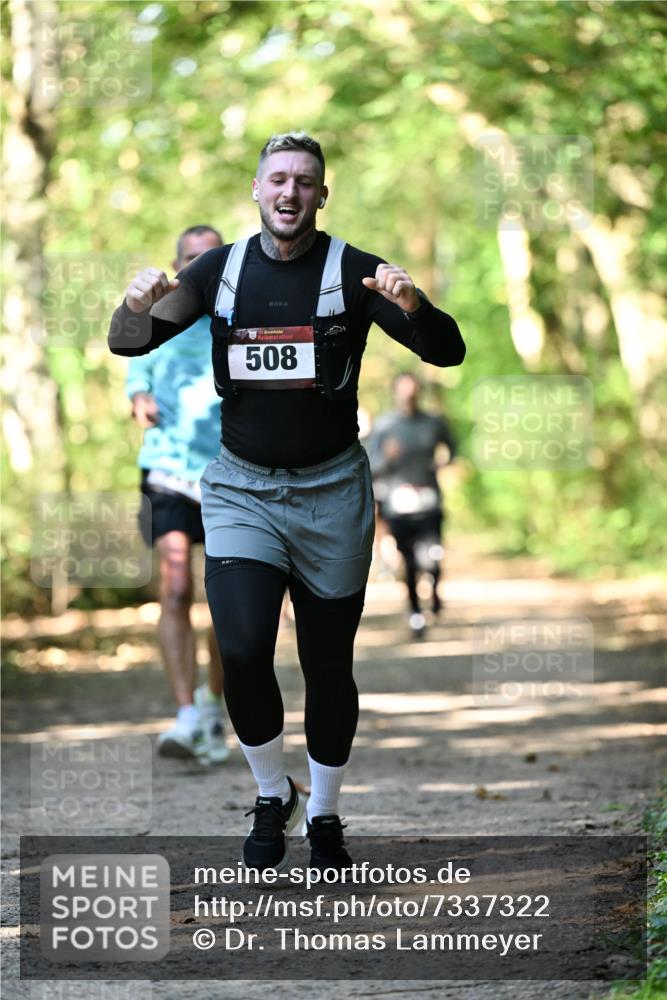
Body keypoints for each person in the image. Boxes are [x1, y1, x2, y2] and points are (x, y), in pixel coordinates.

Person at [109, 131, 465, 872]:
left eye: (304, 181)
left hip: (332, 491)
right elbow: (128, 344)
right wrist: (132, 304)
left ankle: (326, 811)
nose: (289, 192)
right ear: (256, 188)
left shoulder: (354, 271)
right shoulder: (217, 270)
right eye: (278, 178)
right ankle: (272, 794)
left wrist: (414, 303)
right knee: (241, 651)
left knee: (327, 666)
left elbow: (446, 350)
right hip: (241, 488)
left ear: (321, 195)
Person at [127, 224, 230, 763]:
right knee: (174, 589)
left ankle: (214, 705)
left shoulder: (237, 320)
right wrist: (139, 393)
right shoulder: (158, 320)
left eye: (209, 259)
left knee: (225, 605)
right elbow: (136, 366)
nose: (198, 268)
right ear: (177, 266)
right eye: (190, 260)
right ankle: (186, 713)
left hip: (228, 476)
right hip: (167, 471)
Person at [368, 372, 456, 639]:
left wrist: (444, 461)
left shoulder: (433, 422)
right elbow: (371, 468)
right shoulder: (385, 426)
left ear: (419, 392)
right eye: (404, 391)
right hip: (398, 502)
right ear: (396, 393)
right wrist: (387, 458)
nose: (410, 396)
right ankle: (416, 612)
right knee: (409, 560)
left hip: (429, 497)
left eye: (414, 391)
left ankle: (435, 590)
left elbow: (453, 447)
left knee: (431, 558)